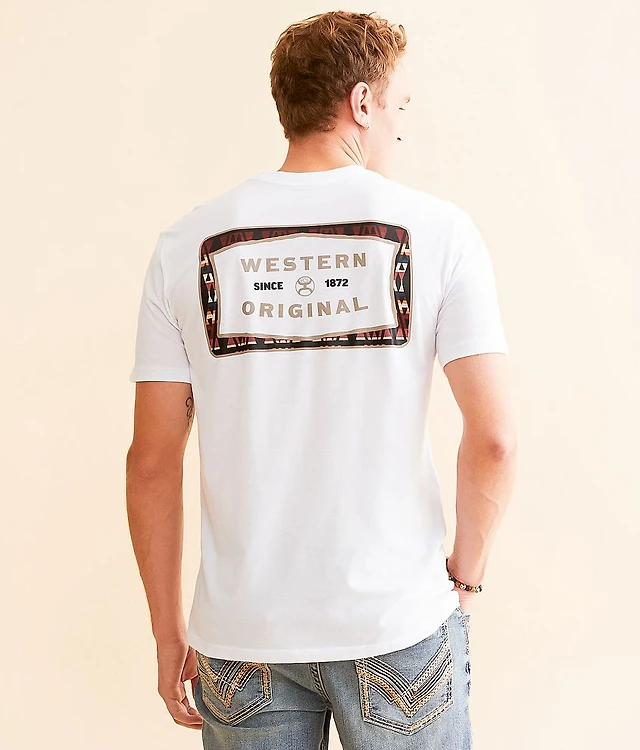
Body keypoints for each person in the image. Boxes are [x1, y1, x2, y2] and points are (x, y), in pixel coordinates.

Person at [125, 10, 517, 749]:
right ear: (362, 102)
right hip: (396, 620)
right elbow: (494, 438)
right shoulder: (440, 232)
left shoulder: (184, 247)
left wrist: (167, 632)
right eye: (399, 104)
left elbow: (151, 461)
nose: (401, 127)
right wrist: (465, 579)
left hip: (243, 635)